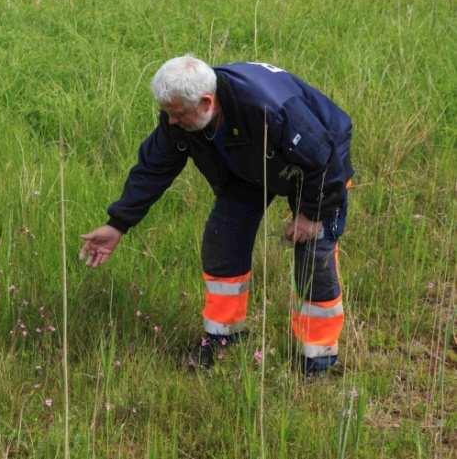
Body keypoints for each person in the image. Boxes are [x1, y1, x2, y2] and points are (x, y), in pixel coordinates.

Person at [78, 55, 353, 375]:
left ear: (207, 102)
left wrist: (310, 214)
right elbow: (153, 169)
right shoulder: (181, 116)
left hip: (319, 168)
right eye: (167, 113)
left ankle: (318, 357)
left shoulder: (271, 109)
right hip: (249, 168)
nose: (171, 122)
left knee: (313, 254)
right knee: (223, 239)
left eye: (177, 114)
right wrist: (118, 224)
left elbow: (325, 160)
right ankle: (224, 337)